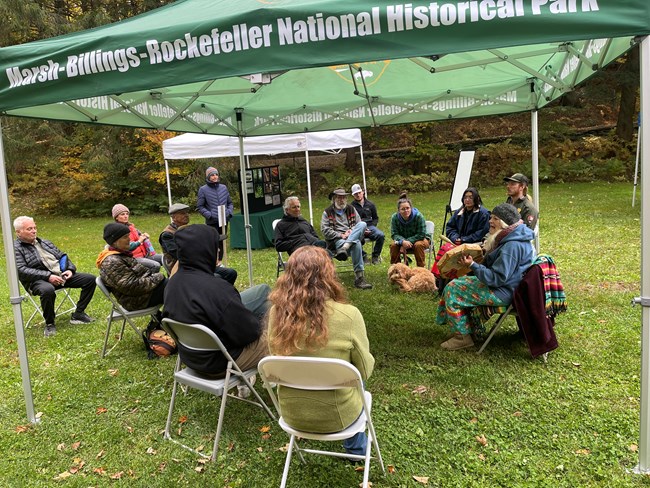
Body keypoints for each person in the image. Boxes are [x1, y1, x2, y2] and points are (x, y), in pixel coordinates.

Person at [267, 246, 375, 458]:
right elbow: (364, 370)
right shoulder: (349, 315)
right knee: (357, 381)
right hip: (338, 416)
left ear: (289, 276)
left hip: (291, 415)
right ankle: (356, 451)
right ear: (328, 275)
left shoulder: (276, 314)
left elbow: (275, 358)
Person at [163, 224, 270, 380]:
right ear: (205, 250)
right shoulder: (217, 289)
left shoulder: (173, 282)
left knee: (263, 305)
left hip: (192, 359)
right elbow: (249, 334)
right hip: (221, 363)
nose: (219, 249)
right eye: (215, 245)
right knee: (283, 331)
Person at [435, 203, 534, 350]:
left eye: (494, 218)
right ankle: (468, 330)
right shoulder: (513, 237)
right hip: (509, 287)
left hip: (503, 292)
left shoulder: (511, 246)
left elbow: (496, 278)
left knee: (453, 289)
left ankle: (462, 337)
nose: (490, 221)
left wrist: (473, 265)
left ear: (503, 223)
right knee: (459, 282)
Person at [14, 216, 96, 337]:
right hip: (37, 281)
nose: (34, 231)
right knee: (47, 290)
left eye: (35, 228)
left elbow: (63, 256)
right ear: (18, 232)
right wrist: (48, 276)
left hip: (60, 275)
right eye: (29, 229)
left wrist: (70, 269)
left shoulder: (45, 242)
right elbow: (21, 270)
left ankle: (78, 314)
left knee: (90, 279)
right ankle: (50, 324)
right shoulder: (15, 248)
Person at [159, 203, 237, 285]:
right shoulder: (167, 235)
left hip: (199, 265)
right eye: (182, 213)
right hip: (183, 270)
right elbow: (179, 255)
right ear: (174, 217)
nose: (186, 215)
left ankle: (223, 294)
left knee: (231, 273)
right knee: (217, 277)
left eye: (186, 213)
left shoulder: (189, 229)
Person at [96, 223, 166, 311]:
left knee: (176, 285)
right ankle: (170, 320)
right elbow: (133, 287)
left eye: (128, 236)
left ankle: (164, 319)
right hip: (136, 300)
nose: (129, 239)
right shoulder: (112, 261)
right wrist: (158, 277)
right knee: (175, 288)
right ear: (115, 241)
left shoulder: (120, 254)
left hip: (144, 293)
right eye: (125, 237)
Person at [320, 187, 372, 290]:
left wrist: (351, 231)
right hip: (337, 241)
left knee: (363, 224)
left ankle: (345, 247)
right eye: (339, 197)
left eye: (344, 197)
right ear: (334, 199)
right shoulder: (327, 212)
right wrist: (341, 235)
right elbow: (325, 230)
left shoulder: (351, 209)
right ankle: (359, 278)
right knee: (356, 243)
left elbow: (358, 224)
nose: (342, 200)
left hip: (346, 243)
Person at [111, 204, 162, 272]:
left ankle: (173, 280)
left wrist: (144, 236)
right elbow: (127, 247)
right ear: (116, 217)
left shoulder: (131, 227)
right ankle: (150, 281)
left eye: (127, 214)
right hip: (133, 258)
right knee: (155, 265)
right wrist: (139, 241)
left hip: (144, 254)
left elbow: (140, 236)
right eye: (122, 214)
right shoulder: (117, 230)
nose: (126, 216)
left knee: (167, 258)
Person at [197, 166, 233, 262]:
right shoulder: (203, 190)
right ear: (208, 177)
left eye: (216, 174)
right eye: (212, 175)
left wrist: (228, 212)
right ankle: (213, 260)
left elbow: (230, 203)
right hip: (212, 221)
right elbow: (200, 207)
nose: (215, 177)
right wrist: (210, 215)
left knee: (222, 241)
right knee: (213, 241)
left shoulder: (223, 188)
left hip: (224, 219)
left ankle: (220, 261)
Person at [389, 192, 431, 267]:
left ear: (411, 208)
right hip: (403, 240)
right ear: (398, 210)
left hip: (420, 239)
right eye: (403, 209)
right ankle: (396, 269)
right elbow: (394, 234)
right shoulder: (394, 218)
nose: (406, 211)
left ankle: (420, 269)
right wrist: (402, 242)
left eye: (408, 208)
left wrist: (406, 242)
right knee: (393, 246)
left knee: (418, 245)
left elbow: (421, 234)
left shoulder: (418, 216)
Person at [350, 184, 385, 265]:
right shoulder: (351, 207)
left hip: (370, 226)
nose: (358, 195)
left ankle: (375, 256)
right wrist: (360, 229)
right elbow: (350, 221)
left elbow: (375, 218)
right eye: (356, 194)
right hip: (357, 228)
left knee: (381, 235)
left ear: (363, 192)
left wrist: (371, 227)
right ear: (353, 195)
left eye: (359, 193)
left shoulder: (370, 204)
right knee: (355, 239)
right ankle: (363, 256)